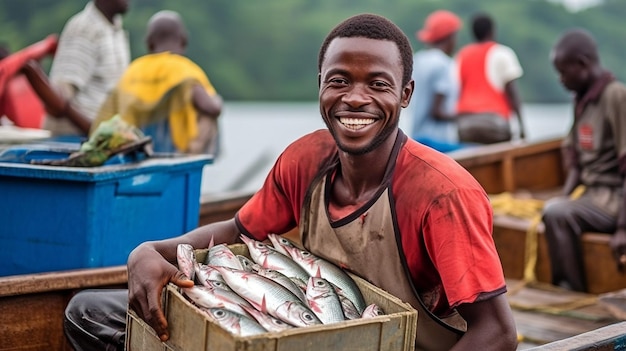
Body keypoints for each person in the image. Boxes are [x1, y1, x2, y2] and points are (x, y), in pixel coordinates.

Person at [63, 13, 517, 351]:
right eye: (339, 80)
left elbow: (496, 332)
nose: (355, 98)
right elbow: (240, 234)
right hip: (300, 332)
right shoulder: (307, 158)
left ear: (405, 94)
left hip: (394, 342)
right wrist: (152, 251)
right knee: (89, 312)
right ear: (320, 84)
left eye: (378, 84)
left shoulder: (441, 193)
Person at [542, 28, 626, 292]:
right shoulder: (582, 100)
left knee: (558, 214)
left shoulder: (615, 96)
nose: (561, 79)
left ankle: (570, 290)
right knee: (554, 208)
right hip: (592, 194)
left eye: (564, 72)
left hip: (613, 197)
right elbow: (577, 162)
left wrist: (623, 228)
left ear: (583, 63)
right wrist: (565, 196)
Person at [91, 10, 223, 154]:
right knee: (214, 102)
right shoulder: (185, 69)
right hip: (176, 152)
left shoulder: (133, 70)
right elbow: (210, 108)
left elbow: (108, 111)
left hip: (133, 149)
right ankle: (193, 155)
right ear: (183, 40)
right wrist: (217, 103)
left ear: (149, 43)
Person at [42, 0, 131, 137]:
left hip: (103, 137)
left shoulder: (116, 29)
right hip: (75, 140)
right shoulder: (84, 29)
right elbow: (61, 97)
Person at [455, 12, 525, 144]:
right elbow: (512, 92)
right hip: (495, 124)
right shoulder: (503, 53)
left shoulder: (461, 55)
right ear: (492, 31)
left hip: (465, 125)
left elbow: (456, 90)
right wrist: (522, 127)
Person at [408, 10, 466, 153]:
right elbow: (437, 112)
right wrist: (467, 116)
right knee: (479, 150)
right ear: (450, 37)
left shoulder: (418, 59)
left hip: (417, 138)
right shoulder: (444, 64)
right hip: (436, 141)